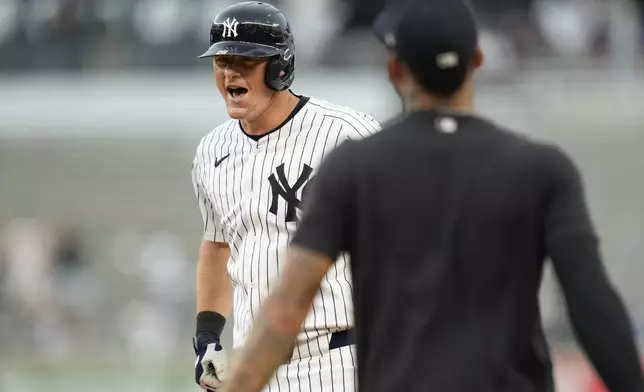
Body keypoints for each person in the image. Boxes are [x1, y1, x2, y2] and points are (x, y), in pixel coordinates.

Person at [216, 1, 644, 392]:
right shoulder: (541, 169)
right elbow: (591, 302)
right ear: (477, 61)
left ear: (395, 69)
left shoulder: (354, 168)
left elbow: (287, 308)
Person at [190, 2, 381, 392]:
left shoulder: (347, 134)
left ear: (281, 66)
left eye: (246, 61)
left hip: (336, 359)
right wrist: (208, 337)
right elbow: (217, 245)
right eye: (222, 61)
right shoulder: (212, 151)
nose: (230, 73)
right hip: (252, 366)